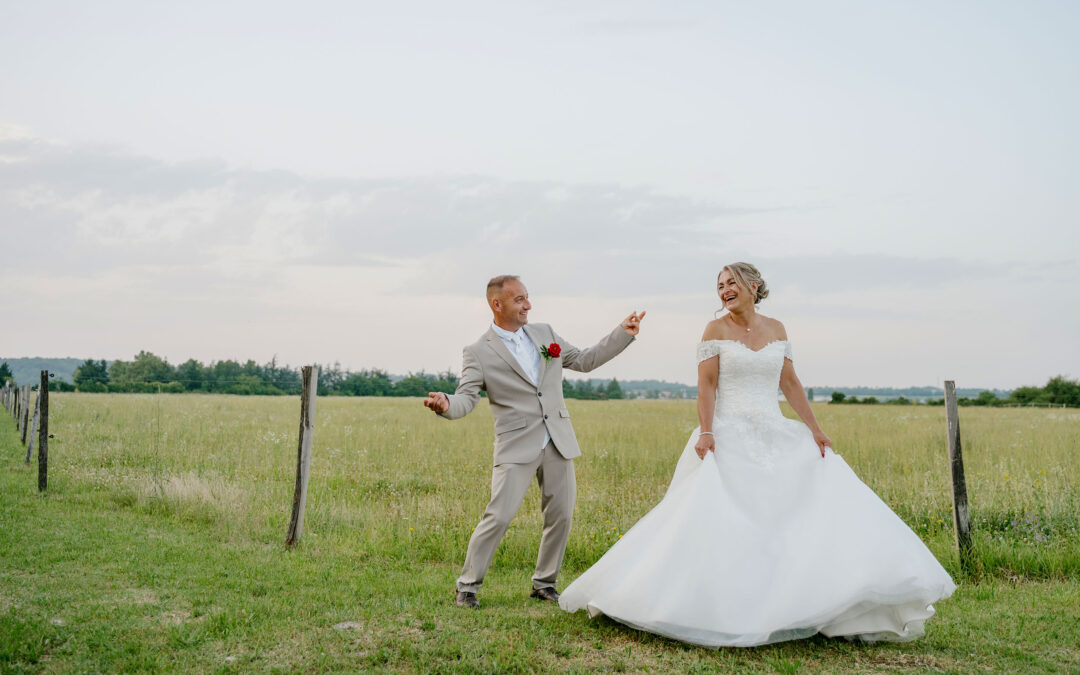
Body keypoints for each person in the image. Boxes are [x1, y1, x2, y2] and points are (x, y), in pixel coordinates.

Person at [559, 262, 955, 647]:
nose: (724, 290)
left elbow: (791, 383)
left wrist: (816, 429)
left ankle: (811, 602)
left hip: (775, 430)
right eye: (719, 286)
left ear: (753, 285)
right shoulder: (714, 329)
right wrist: (708, 431)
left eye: (731, 282)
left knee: (806, 511)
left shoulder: (777, 329)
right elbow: (707, 386)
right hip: (727, 434)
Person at [424, 274, 645, 608]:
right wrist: (445, 405)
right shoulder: (478, 352)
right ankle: (467, 585)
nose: (528, 305)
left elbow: (584, 359)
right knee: (498, 515)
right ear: (497, 305)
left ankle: (545, 583)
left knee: (562, 514)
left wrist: (621, 334)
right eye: (519, 300)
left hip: (557, 438)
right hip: (516, 444)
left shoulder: (545, 334)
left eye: (527, 297)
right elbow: (466, 398)